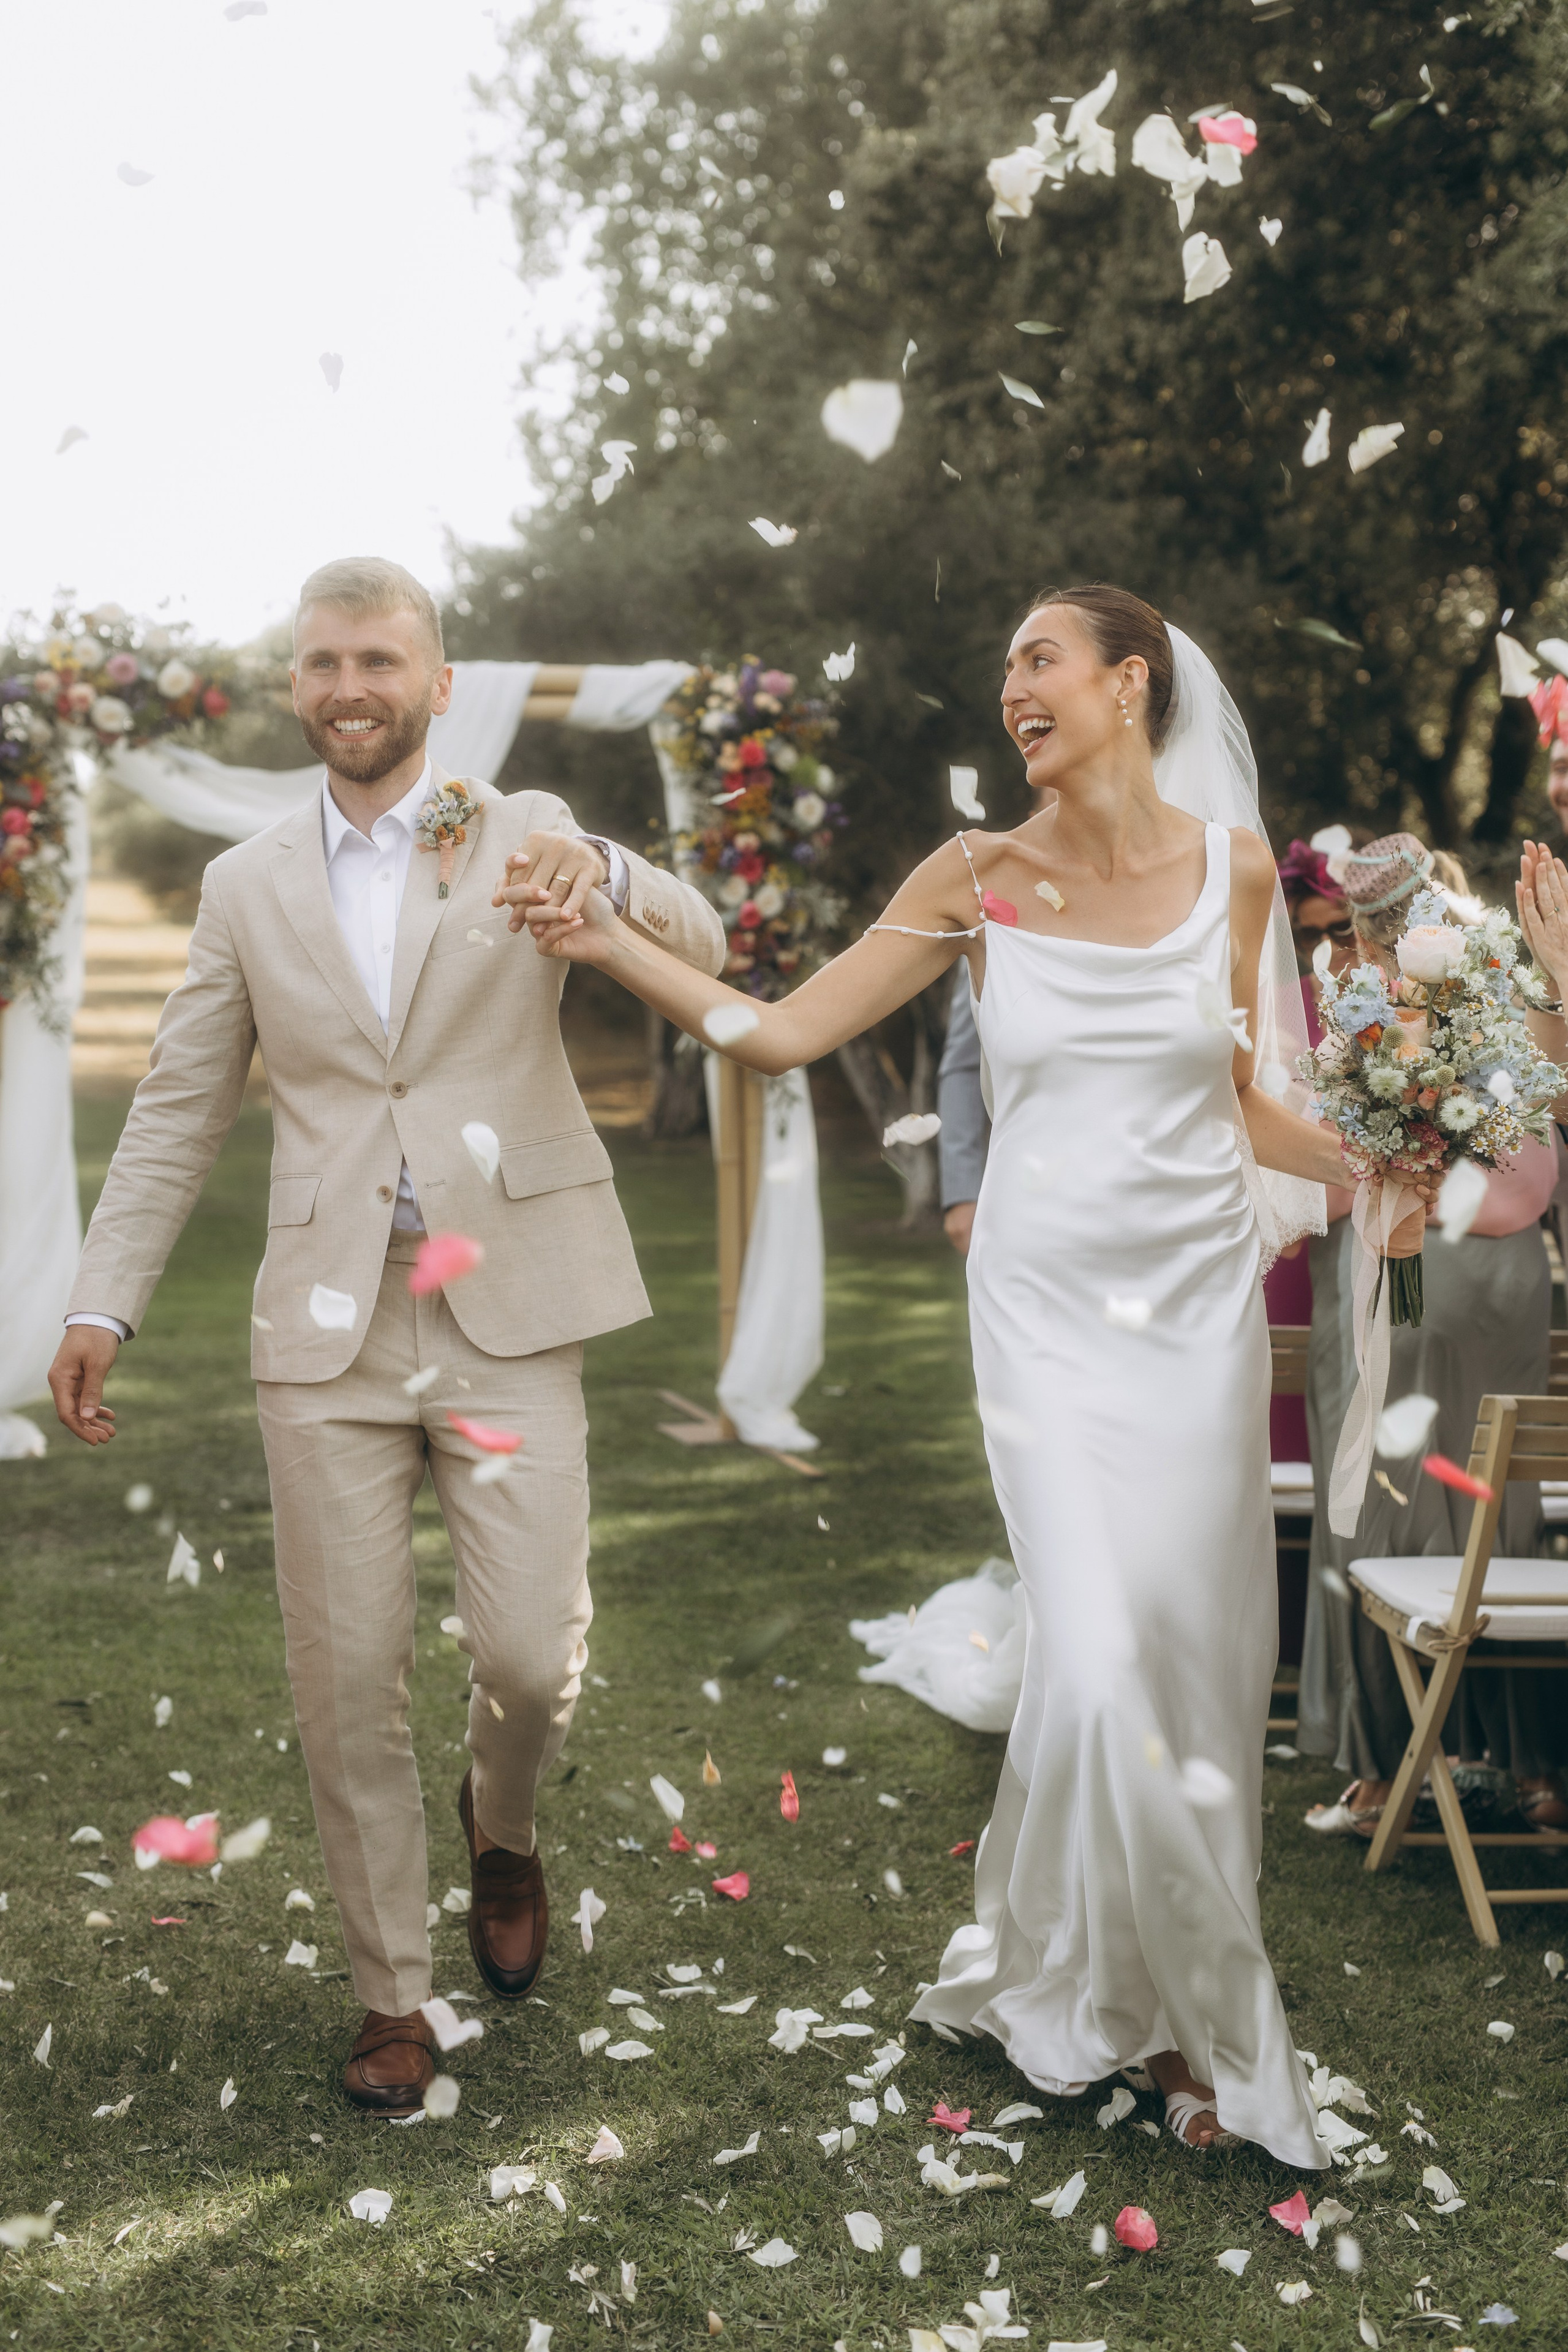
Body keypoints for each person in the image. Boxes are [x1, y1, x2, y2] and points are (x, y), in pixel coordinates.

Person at [499, 582, 1419, 2168]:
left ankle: (1117, 1987)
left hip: (1194, 1309)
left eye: (1040, 659)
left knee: (1190, 1663)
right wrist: (605, 940)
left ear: (1130, 686)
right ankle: (1216, 2032)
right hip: (1048, 1318)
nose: (1013, 688)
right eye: (1004, 667)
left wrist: (1378, 1164)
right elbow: (781, 1035)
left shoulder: (1241, 873)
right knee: (1107, 1657)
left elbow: (1240, 1098)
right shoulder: (974, 878)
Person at [47, 557, 726, 2116]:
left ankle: (505, 1825)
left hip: (508, 1301)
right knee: (343, 1671)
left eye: (377, 660)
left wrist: (605, 878)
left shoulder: (526, 827)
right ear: (297, 687)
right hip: (325, 1329)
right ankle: (389, 1997)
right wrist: (103, 1298)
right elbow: (174, 1107)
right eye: (320, 663)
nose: (347, 686)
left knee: (526, 1657)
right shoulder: (244, 885)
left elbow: (694, 938)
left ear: (434, 681)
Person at [1300, 834, 1568, 1835]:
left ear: (1368, 931)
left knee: (1380, 1503)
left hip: (1395, 1271)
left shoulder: (1360, 1016)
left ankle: (1387, 1770)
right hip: (1505, 1283)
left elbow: (1323, 1170)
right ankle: (1536, 1765)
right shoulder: (1510, 993)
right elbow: (1547, 1140)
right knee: (1507, 1502)